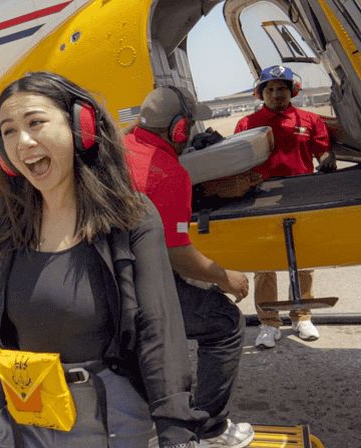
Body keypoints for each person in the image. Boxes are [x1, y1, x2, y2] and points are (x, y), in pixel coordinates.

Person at [0, 72, 208, 448]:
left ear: (80, 126)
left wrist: (177, 434)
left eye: (35, 122)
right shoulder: (12, 229)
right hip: (26, 409)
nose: (23, 141)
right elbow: (5, 335)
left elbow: (158, 332)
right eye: (8, 131)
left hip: (105, 418)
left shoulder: (131, 218)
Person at [122, 86, 254, 448]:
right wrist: (225, 278)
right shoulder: (168, 173)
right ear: (178, 129)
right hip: (135, 284)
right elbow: (176, 252)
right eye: (189, 128)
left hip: (104, 274)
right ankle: (210, 429)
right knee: (225, 323)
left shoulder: (118, 149)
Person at [234, 65, 336, 348]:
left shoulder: (311, 120)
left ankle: (302, 317)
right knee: (264, 265)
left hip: (301, 196)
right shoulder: (246, 124)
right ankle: (268, 322)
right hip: (261, 198)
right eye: (270, 89)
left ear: (292, 91)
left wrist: (327, 158)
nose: (276, 94)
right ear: (261, 93)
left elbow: (321, 151)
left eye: (282, 89)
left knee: (304, 261)